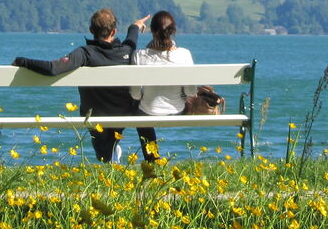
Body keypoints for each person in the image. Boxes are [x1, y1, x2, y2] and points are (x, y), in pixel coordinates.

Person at [10, 8, 148, 163]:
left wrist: (22, 61)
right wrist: (135, 26)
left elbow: (52, 69)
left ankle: (110, 153)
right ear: (114, 32)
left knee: (102, 152)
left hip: (94, 113)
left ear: (91, 30)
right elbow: (131, 39)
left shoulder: (85, 53)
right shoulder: (127, 51)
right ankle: (119, 151)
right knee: (109, 142)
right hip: (123, 112)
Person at [130, 10, 196, 158]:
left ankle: (152, 159)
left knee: (139, 111)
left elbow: (135, 94)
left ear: (151, 30)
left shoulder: (139, 55)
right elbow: (191, 92)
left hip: (148, 110)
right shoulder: (184, 54)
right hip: (178, 109)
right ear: (173, 31)